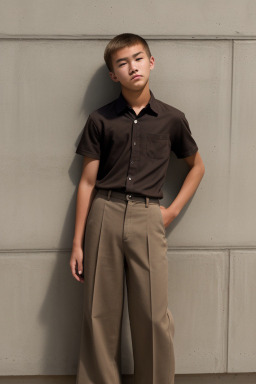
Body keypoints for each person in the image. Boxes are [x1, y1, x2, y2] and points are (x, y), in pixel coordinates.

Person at [70, 33, 205, 384]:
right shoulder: (101, 120)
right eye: (122, 62)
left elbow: (197, 166)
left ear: (151, 62)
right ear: (113, 74)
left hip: (149, 216)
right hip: (105, 213)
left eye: (138, 58)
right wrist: (77, 242)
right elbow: (86, 182)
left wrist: (171, 212)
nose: (133, 67)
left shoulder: (172, 119)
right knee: (99, 313)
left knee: (152, 315)